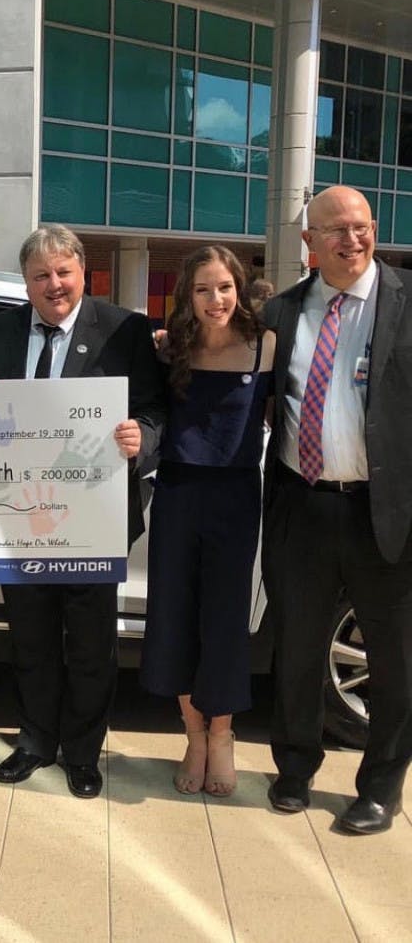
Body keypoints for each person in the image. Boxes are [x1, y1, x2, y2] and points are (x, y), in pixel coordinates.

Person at [0, 224, 165, 799]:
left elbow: (157, 409)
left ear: (84, 272)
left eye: (63, 272)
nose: (53, 284)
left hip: (92, 516)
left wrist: (143, 437)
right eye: (40, 275)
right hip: (18, 514)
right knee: (29, 638)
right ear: (26, 282)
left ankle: (82, 752)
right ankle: (35, 741)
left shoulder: (124, 330)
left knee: (89, 646)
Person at [263, 185, 412, 834]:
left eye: (361, 227)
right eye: (335, 231)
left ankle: (380, 786)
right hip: (304, 505)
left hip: (387, 514)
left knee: (394, 656)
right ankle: (294, 767)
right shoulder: (282, 312)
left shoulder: (407, 301)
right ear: (309, 243)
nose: (351, 240)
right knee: (295, 648)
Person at [139, 246, 274, 797]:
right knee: (174, 615)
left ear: (238, 289)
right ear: (186, 297)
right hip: (177, 493)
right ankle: (192, 735)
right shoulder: (169, 348)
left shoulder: (266, 346)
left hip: (235, 498)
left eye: (223, 287)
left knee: (223, 619)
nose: (214, 299)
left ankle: (223, 736)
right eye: (202, 289)